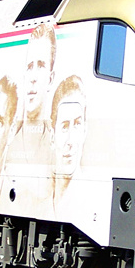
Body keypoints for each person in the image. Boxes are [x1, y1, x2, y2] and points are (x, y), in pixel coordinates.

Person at [10, 21, 56, 167]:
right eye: (30, 67)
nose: (33, 78)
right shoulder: (7, 149)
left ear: (50, 79)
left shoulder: (56, 150)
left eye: (41, 66)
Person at [50, 76, 88, 210]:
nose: (70, 141)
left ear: (85, 130)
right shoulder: (39, 206)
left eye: (77, 124)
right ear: (52, 134)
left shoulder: (91, 204)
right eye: (65, 126)